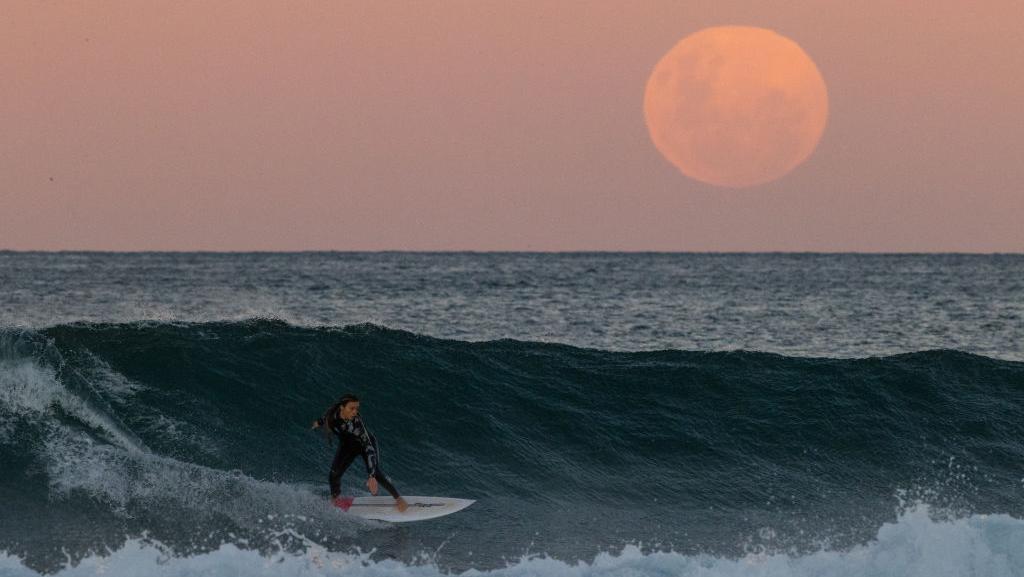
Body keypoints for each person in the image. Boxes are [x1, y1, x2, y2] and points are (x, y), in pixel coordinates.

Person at [312, 394, 409, 512]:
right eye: (351, 408)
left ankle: (398, 498)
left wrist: (371, 476)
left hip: (365, 445)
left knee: (376, 473)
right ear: (342, 408)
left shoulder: (356, 421)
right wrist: (317, 423)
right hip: (347, 446)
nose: (355, 412)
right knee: (334, 474)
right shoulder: (332, 415)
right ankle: (335, 499)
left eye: (357, 408)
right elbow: (324, 419)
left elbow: (368, 447)